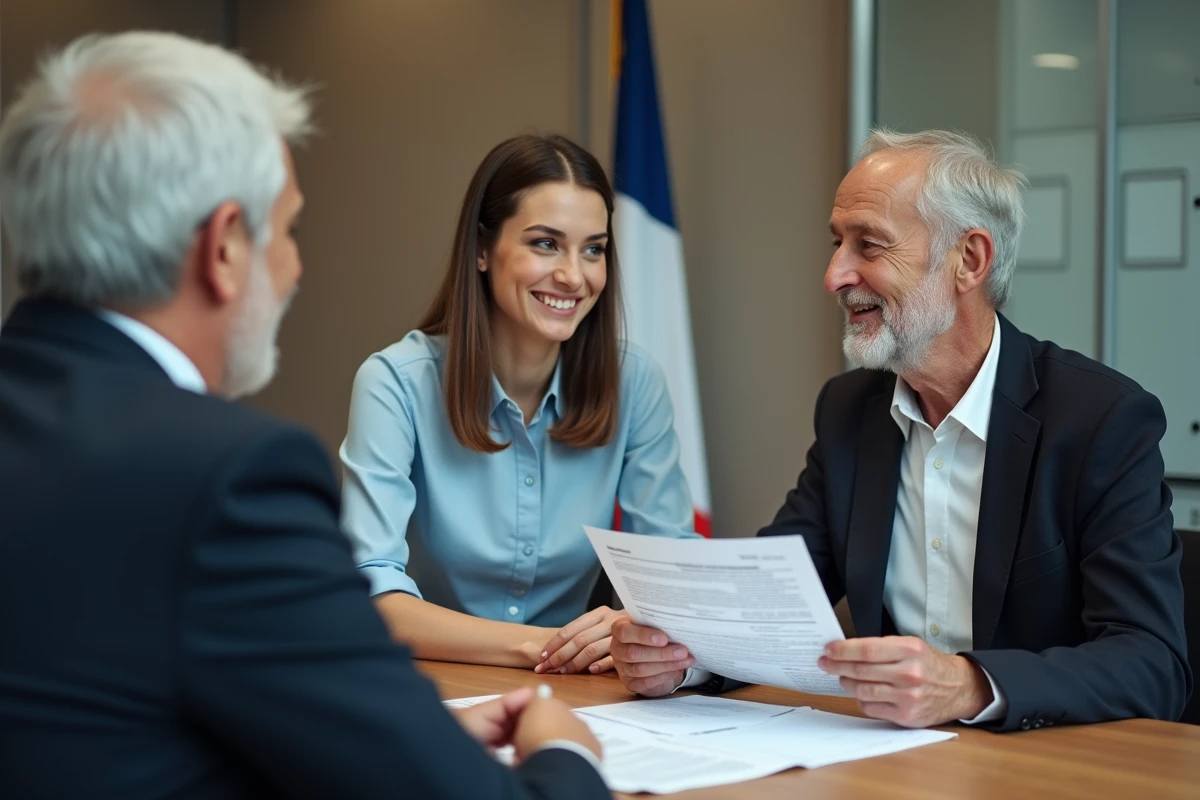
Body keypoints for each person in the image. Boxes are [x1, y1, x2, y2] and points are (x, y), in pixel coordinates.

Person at [0, 32, 608, 799]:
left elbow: (105, 711)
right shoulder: (227, 479)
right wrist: (565, 754)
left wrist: (391, 732)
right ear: (223, 248)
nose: (295, 266)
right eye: (287, 229)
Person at [609, 128, 1191, 732]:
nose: (835, 275)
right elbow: (769, 601)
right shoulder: (848, 411)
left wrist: (969, 686)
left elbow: (1152, 663)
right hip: (885, 761)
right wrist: (677, 660)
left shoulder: (1100, 420)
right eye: (838, 244)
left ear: (969, 260)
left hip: (1042, 764)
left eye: (870, 246)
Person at [340, 133, 699, 677]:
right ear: (482, 250)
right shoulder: (394, 383)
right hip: (425, 687)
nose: (574, 276)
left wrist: (636, 634)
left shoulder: (636, 382)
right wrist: (550, 646)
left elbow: (673, 579)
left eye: (594, 249)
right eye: (545, 243)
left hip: (581, 694)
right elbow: (373, 596)